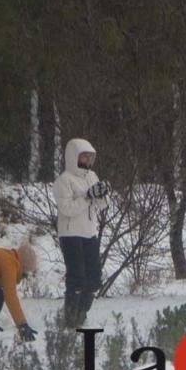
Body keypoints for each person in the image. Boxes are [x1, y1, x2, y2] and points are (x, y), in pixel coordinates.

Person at [54, 137, 111, 327]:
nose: (86, 161)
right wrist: (87, 196)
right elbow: (67, 208)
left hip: (89, 232)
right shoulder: (64, 180)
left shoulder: (91, 176)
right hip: (71, 234)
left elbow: (102, 206)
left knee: (94, 278)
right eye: (83, 156)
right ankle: (70, 318)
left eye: (89, 157)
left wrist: (102, 194)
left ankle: (81, 313)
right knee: (76, 278)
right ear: (73, 156)